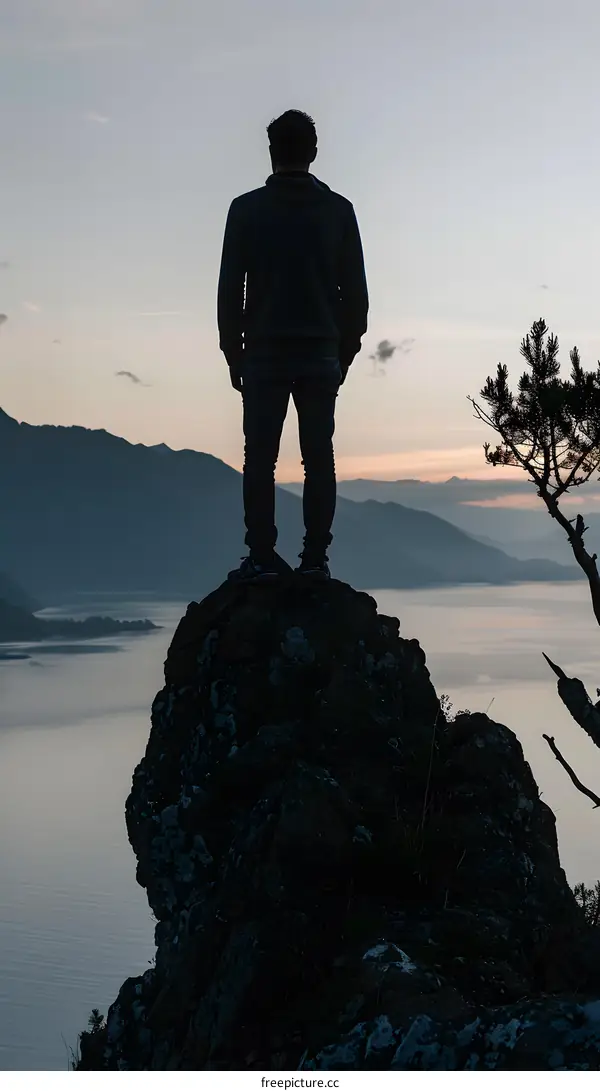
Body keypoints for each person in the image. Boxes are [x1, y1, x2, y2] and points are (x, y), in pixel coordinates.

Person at [217, 109, 369, 581]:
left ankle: (261, 557)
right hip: (321, 353)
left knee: (259, 458)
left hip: (262, 353)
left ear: (270, 151)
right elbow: (356, 298)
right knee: (318, 457)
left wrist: (233, 351)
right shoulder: (338, 211)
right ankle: (315, 560)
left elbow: (229, 290)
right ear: (314, 152)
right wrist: (342, 355)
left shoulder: (245, 210)